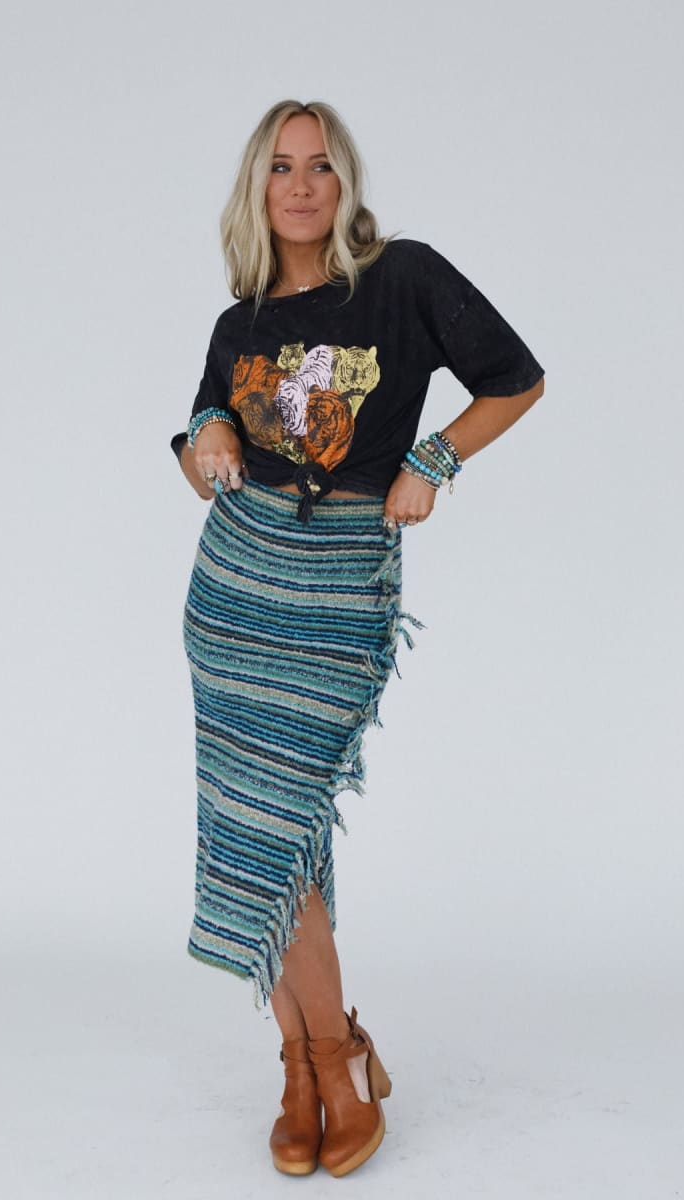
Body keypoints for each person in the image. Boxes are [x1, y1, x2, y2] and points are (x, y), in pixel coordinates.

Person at [170, 98, 544, 1178]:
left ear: (345, 184)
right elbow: (200, 437)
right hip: (234, 587)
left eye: (320, 166)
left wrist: (432, 462)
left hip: (339, 576)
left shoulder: (401, 278)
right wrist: (204, 434)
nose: (300, 185)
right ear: (256, 187)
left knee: (280, 821)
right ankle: (304, 1066)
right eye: (280, 167)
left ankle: (334, 1059)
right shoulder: (239, 322)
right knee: (273, 836)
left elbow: (515, 378)